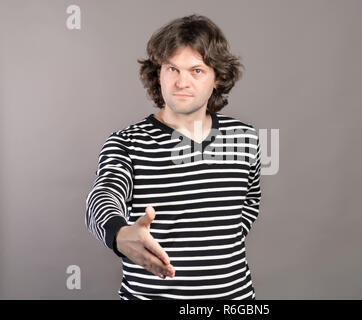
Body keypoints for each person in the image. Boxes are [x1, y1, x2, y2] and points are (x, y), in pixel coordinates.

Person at [85, 14, 262, 300]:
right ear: (158, 74)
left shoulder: (245, 138)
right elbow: (102, 196)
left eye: (197, 71)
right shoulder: (127, 142)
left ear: (218, 78)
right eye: (172, 69)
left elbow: (250, 200)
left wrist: (217, 249)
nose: (182, 82)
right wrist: (119, 234)